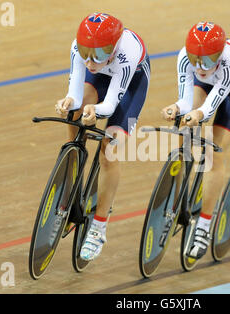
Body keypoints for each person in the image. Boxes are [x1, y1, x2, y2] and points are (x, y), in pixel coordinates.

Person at [55, 13, 150, 261]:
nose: (90, 61)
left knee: (109, 151)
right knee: (75, 114)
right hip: (101, 80)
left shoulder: (127, 52)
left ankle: (99, 226)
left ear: (114, 46)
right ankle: (72, 177)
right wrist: (69, 102)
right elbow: (75, 90)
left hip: (129, 88)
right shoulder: (81, 50)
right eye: (86, 53)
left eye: (98, 54)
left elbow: (109, 106)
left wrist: (94, 111)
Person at [161, 22, 230, 259]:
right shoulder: (185, 57)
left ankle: (204, 226)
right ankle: (177, 199)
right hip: (207, 86)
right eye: (196, 59)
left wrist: (198, 114)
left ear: (220, 54)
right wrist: (177, 107)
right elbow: (185, 99)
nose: (201, 66)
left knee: (214, 153)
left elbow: (209, 107)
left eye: (208, 60)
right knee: (185, 126)